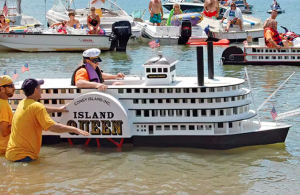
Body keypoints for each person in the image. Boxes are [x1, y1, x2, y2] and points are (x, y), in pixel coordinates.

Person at [5, 79, 90, 162]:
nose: (41, 89)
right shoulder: (37, 106)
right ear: (35, 90)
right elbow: (52, 127)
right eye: (39, 87)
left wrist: (58, 109)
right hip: (24, 156)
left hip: (11, 154)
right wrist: (75, 129)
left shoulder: (23, 103)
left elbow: (43, 109)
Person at [0, 76, 14, 154]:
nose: (14, 88)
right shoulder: (3, 105)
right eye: (11, 86)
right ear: (2, 88)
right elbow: (4, 132)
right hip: (3, 149)